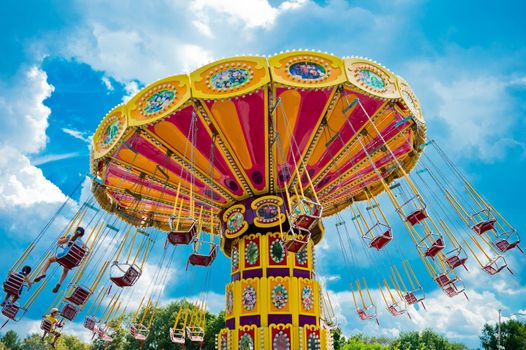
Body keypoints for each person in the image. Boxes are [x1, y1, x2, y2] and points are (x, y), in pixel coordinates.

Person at [33, 226, 87, 293]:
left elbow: (59, 242)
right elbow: (83, 253)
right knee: (65, 270)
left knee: (49, 259)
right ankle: (59, 283)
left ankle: (42, 273)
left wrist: (61, 238)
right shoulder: (83, 244)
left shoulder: (70, 236)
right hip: (73, 261)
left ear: (75, 231)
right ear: (82, 235)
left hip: (65, 256)